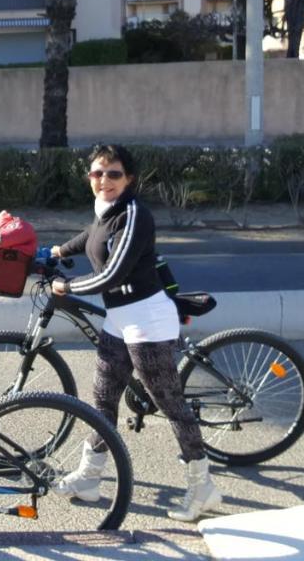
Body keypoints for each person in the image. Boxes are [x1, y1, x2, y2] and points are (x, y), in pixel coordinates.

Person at [48, 144, 222, 522]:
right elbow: (90, 237)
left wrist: (68, 287)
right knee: (103, 398)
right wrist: (57, 251)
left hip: (147, 320)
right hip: (119, 318)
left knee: (169, 403)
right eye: (97, 173)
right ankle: (89, 478)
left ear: (129, 179)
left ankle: (203, 488)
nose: (104, 180)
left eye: (113, 174)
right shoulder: (105, 211)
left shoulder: (134, 215)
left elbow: (113, 274)